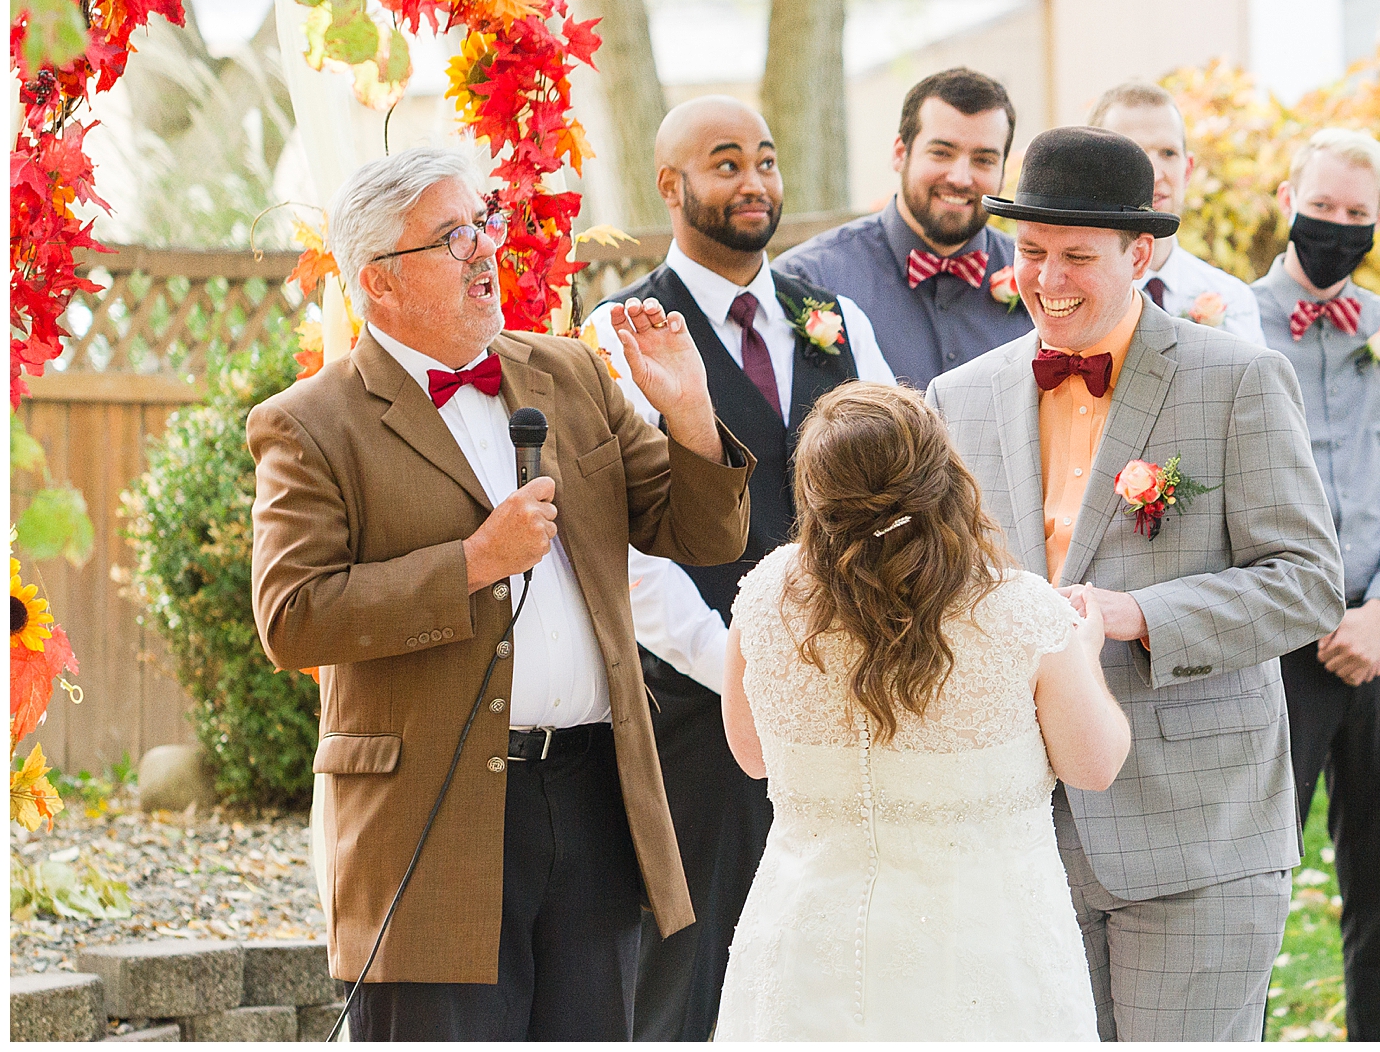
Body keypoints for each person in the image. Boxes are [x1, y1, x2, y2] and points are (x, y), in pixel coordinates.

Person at [247, 147, 753, 1040]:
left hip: (596, 793)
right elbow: (292, 618)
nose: (487, 250)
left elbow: (704, 534)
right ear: (382, 282)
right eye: (453, 236)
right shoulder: (310, 423)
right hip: (430, 824)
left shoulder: (570, 374)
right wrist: (473, 562)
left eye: (485, 223)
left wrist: (690, 414)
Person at [926, 126, 1345, 1042]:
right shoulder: (958, 398)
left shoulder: (1238, 380)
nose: (1048, 278)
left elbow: (1309, 584)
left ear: (1141, 253)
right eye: (1031, 253)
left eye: (1078, 256)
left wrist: (1139, 614)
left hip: (1201, 830)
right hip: (1021, 827)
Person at [580, 97, 897, 1041]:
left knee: (824, 952)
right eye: (726, 163)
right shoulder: (618, 333)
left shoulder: (835, 320)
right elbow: (627, 550)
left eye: (765, 159)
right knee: (697, 959)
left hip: (845, 699)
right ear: (671, 186)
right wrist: (740, 673)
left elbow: (895, 489)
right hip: (692, 705)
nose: (754, 181)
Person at [713, 382, 1129, 1040]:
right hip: (982, 961)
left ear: (814, 492)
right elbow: (1094, 764)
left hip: (811, 952)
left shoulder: (768, 593)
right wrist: (1085, 649)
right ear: (944, 476)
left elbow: (752, 756)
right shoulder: (1020, 610)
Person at [1250, 128, 1380, 1042]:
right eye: (1322, 207)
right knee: (1251, 881)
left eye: (1356, 215)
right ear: (1288, 195)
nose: (1336, 226)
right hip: (1269, 643)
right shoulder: (1227, 323)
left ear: (1378, 221)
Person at [774, 67, 1034, 389]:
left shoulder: (1037, 278)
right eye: (941, 153)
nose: (961, 178)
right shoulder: (808, 280)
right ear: (900, 153)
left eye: (984, 160)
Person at [1086, 80, 1263, 345]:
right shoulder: (1071, 299)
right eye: (1134, 154)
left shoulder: (1233, 299)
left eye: (1168, 153)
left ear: (1188, 169)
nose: (1155, 174)